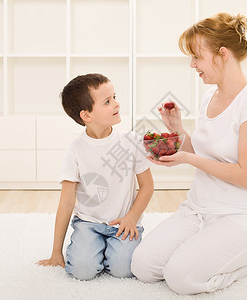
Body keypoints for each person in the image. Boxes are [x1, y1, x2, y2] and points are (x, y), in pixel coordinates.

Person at [131, 12, 247, 295]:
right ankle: (210, 247)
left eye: (197, 57)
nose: (192, 65)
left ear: (222, 55)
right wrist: (178, 131)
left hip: (244, 215)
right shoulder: (209, 96)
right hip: (200, 208)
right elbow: (204, 151)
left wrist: (187, 158)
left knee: (181, 278)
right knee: (143, 267)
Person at [37, 73, 154, 280]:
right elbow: (66, 203)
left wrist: (132, 218)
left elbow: (147, 187)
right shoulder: (75, 150)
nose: (116, 104)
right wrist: (56, 251)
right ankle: (94, 246)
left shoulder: (131, 141)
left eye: (115, 97)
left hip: (124, 222)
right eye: (107, 101)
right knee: (82, 272)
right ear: (86, 116)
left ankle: (112, 249)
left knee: (123, 270)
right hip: (88, 223)